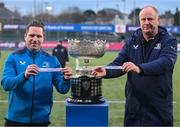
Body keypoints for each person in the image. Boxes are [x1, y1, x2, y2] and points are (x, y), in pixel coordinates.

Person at [92, 6, 177, 126]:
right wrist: (106, 71)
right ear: (139, 21)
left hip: (158, 108)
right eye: (143, 19)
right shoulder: (131, 41)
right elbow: (119, 63)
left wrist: (139, 68)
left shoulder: (169, 41)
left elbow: (166, 62)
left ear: (158, 20)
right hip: (134, 108)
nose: (146, 22)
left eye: (150, 19)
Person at [1, 20, 72, 126]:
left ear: (43, 38)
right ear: (25, 36)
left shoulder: (52, 60)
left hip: (41, 121)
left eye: (39, 36)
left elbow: (63, 89)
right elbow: (6, 84)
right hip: (15, 120)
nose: (35, 39)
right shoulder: (13, 57)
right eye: (31, 35)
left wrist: (66, 79)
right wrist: (24, 75)